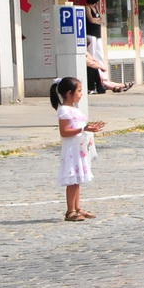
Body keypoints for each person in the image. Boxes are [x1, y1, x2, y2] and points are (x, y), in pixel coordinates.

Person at [51, 76, 103, 221]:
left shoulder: (73, 109)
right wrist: (82, 129)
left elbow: (79, 127)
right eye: (79, 91)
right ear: (69, 93)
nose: (81, 94)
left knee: (77, 180)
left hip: (79, 148)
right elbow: (64, 131)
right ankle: (70, 211)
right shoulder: (64, 110)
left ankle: (77, 207)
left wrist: (89, 129)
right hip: (71, 150)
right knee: (72, 181)